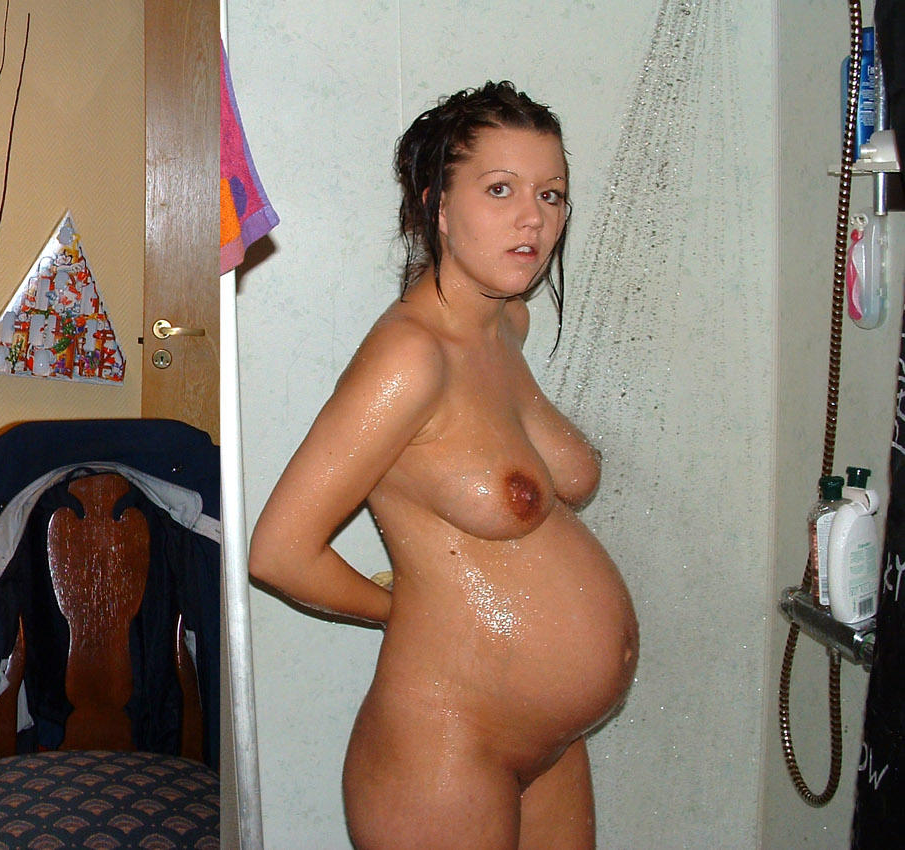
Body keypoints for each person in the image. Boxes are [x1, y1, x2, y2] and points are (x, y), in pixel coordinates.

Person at [248, 81, 636, 849]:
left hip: (550, 741)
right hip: (446, 745)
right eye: (501, 189)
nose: (534, 218)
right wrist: (400, 610)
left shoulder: (507, 324)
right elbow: (279, 552)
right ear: (438, 207)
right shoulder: (410, 356)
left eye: (551, 194)